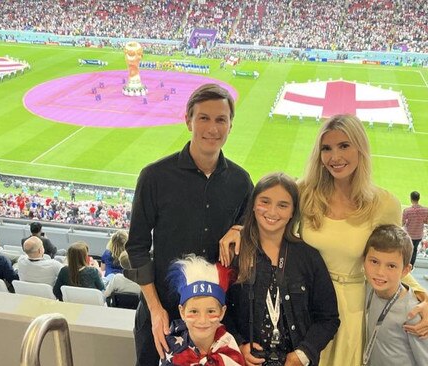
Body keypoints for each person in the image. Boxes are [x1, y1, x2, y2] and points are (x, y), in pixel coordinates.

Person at [219, 115, 428, 366]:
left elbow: (391, 259)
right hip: (302, 305)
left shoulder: (384, 204)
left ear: (360, 148)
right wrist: (240, 229)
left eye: (344, 146)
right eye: (327, 148)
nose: (335, 157)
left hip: (349, 310)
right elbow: (271, 211)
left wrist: (421, 294)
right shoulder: (305, 192)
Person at [124, 83, 253, 366]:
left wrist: (241, 228)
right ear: (188, 121)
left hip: (216, 317)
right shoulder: (154, 177)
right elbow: (136, 248)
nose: (212, 128)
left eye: (221, 119)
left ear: (231, 125)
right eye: (203, 118)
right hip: (163, 314)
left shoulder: (242, 182)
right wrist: (156, 310)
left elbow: (251, 239)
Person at [225, 173, 339, 366]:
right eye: (265, 202)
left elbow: (328, 318)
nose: (272, 211)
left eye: (283, 205)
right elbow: (221, 310)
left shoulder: (308, 257)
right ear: (253, 205)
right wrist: (238, 344)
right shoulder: (235, 253)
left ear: (293, 211)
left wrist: (303, 354)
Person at [362, 225, 428, 366]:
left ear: (406, 270)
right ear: (363, 261)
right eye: (374, 262)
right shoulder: (368, 288)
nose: (380, 272)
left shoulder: (413, 314)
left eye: (391, 266)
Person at [161, 255, 245, 366]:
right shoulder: (172, 350)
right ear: (182, 312)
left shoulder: (229, 346)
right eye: (194, 311)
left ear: (222, 312)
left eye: (210, 311)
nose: (202, 320)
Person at [402, 191, 428, 266]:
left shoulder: (407, 210)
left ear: (411, 199)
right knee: (414, 250)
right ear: (419, 198)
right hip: (418, 235)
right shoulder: (426, 210)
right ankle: (411, 266)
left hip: (409, 235)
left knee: (406, 251)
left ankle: (405, 265)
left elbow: (402, 223)